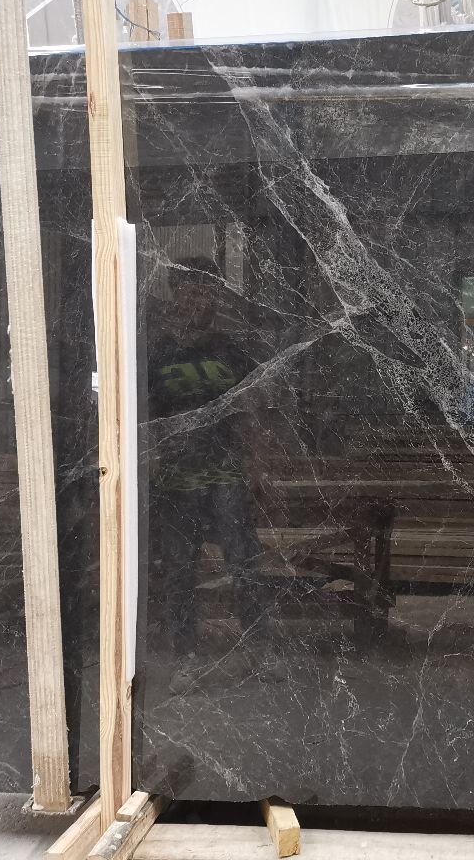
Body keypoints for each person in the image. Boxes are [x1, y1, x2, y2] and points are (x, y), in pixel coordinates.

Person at [147, 257, 267, 660]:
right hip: (176, 481)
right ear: (176, 293)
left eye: (208, 291)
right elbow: (142, 414)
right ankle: (186, 656)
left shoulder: (230, 351)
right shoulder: (157, 353)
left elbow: (249, 412)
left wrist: (256, 466)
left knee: (245, 563)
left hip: (225, 476)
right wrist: (152, 459)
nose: (201, 299)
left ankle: (258, 649)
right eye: (192, 289)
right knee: (180, 569)